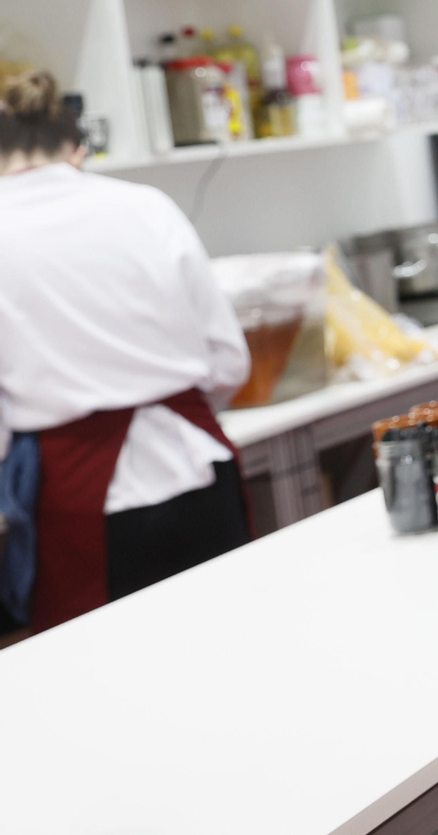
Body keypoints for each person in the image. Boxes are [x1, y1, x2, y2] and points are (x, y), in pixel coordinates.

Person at [0, 69, 253, 633]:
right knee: (235, 647)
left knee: (113, 688)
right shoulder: (147, 206)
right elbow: (227, 358)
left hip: (81, 499)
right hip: (198, 472)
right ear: (78, 149)